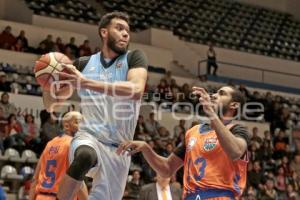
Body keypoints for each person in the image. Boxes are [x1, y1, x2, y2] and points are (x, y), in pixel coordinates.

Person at [41, 12, 148, 200]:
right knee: (84, 156)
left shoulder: (134, 58)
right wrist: (48, 83)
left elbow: (136, 89)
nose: (125, 34)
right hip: (89, 137)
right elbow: (53, 105)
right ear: (104, 32)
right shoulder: (83, 64)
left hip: (119, 149)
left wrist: (86, 83)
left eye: (127, 31)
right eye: (119, 28)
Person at [117, 86, 250, 199]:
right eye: (215, 93)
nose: (214, 95)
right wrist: (146, 148)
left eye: (221, 94)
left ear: (234, 105)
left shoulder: (237, 130)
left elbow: (235, 152)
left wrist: (211, 113)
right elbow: (167, 169)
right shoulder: (193, 132)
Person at [28, 111, 88, 200]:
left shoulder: (49, 144)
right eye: (78, 122)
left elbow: (34, 179)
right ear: (66, 125)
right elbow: (77, 182)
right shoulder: (74, 145)